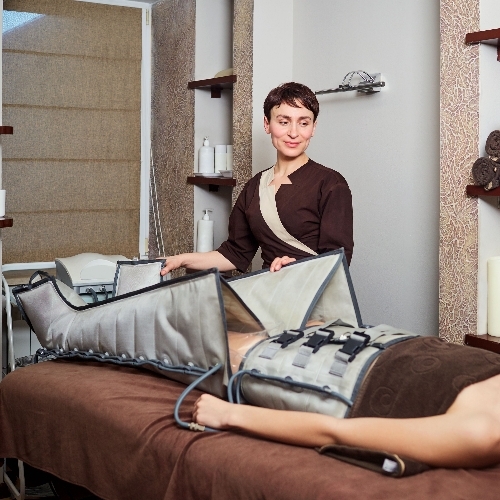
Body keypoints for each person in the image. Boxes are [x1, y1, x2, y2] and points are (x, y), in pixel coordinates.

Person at [192, 342, 500, 470]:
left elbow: (336, 432)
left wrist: (230, 414)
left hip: (356, 377)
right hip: (381, 340)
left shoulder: (481, 432)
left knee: (220, 344)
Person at [161, 82, 353, 276]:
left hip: (312, 290)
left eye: (304, 123)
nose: (294, 133)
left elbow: (338, 260)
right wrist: (181, 260)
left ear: (313, 128)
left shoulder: (330, 184)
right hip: (268, 288)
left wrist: (299, 267)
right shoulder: (255, 186)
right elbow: (235, 253)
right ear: (267, 124)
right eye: (284, 122)